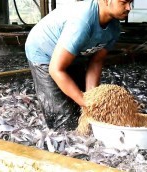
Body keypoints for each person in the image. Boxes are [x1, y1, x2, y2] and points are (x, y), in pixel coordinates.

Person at [25, 0, 133, 130]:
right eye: (124, 2)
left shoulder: (114, 28)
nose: (129, 7)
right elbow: (56, 69)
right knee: (63, 121)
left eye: (131, 2)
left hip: (75, 54)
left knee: (83, 111)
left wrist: (92, 98)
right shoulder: (83, 22)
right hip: (44, 51)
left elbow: (96, 62)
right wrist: (83, 100)